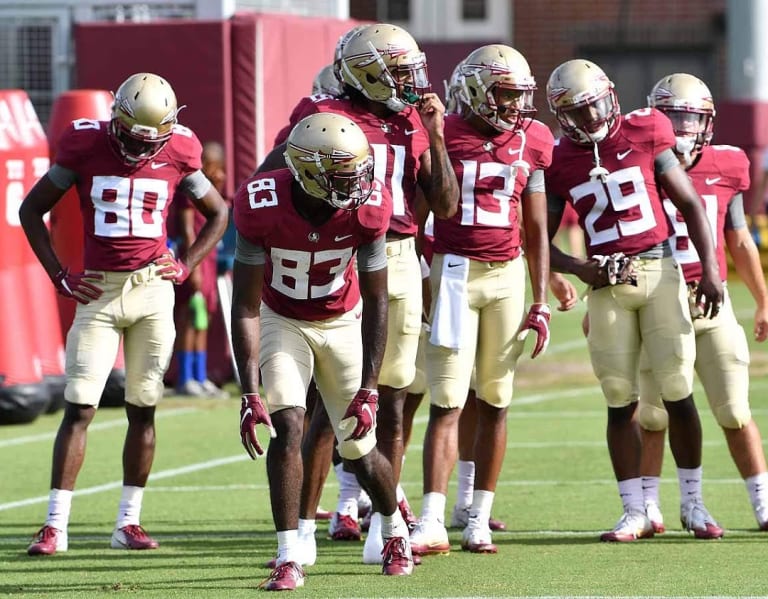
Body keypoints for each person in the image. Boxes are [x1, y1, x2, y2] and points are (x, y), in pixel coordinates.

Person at [265, 22, 459, 560]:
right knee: (327, 408)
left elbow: (444, 205)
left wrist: (436, 133)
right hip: (340, 258)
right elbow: (268, 180)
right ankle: (302, 529)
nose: (409, 82)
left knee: (389, 400)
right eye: (397, 71)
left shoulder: (411, 122)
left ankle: (382, 525)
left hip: (396, 258)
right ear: (366, 70)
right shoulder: (322, 115)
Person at [20, 72, 229, 555]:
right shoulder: (84, 143)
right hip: (97, 291)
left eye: (151, 139)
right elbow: (32, 210)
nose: (142, 149)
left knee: (143, 407)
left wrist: (186, 262)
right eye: (135, 137)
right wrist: (60, 275)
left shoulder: (180, 148)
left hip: (152, 291)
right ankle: (55, 525)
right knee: (80, 406)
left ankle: (127, 523)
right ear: (117, 121)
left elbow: (218, 212)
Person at [232, 112, 413, 591]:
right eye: (342, 174)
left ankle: (395, 530)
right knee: (288, 423)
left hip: (340, 321)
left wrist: (371, 387)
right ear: (308, 171)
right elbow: (245, 305)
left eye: (357, 171)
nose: (356, 182)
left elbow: (377, 299)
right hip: (282, 318)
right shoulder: (261, 204)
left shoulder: (368, 207)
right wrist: (249, 393)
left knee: (358, 446)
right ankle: (289, 554)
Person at [544, 59, 724, 542]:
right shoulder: (560, 159)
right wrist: (581, 269)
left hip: (661, 268)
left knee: (677, 390)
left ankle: (693, 503)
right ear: (561, 117)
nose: (590, 119)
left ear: (611, 95)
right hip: (606, 285)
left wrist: (708, 270)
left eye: (595, 106)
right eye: (578, 113)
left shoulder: (646, 130)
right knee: (618, 399)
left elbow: (688, 203)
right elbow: (535, 240)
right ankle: (635, 510)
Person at [409, 43, 552, 556]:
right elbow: (417, 218)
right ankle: (429, 519)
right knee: (447, 400)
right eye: (506, 93)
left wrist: (540, 298)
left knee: (495, 398)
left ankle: (479, 518)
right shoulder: (440, 132)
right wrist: (419, 283)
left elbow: (536, 228)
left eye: (520, 94)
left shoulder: (533, 138)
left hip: (508, 277)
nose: (515, 105)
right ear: (475, 88)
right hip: (452, 274)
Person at [639, 73, 768, 533]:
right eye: (671, 117)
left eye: (690, 118)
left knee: (734, 410)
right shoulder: (638, 164)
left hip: (711, 303)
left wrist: (762, 300)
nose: (681, 128)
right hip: (656, 301)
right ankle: (648, 507)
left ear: (707, 122)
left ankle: (763, 503)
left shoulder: (728, 164)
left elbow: (738, 239)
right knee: (653, 414)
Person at [172, 141, 229, 398]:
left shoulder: (214, 193)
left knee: (203, 318)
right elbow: (186, 228)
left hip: (209, 261)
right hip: (193, 260)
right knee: (188, 318)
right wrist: (191, 266)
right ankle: (185, 378)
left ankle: (200, 375)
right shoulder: (188, 191)